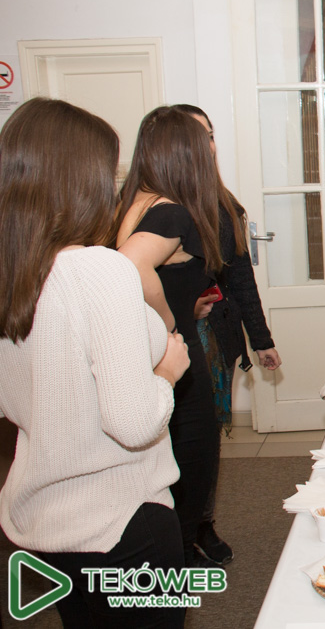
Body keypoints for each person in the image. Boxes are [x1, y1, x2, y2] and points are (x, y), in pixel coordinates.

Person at [0, 98, 190, 626]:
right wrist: (166, 373)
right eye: (108, 173)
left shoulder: (15, 272)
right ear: (78, 180)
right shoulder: (97, 271)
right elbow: (133, 423)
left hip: (46, 525)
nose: (114, 188)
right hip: (121, 520)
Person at [115, 106, 224, 568]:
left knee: (157, 470)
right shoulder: (172, 212)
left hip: (135, 355)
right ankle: (170, 570)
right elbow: (130, 265)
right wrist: (170, 322)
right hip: (174, 359)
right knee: (190, 469)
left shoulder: (129, 201)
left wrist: (181, 302)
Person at [174, 104, 282, 566]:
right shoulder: (154, 209)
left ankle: (202, 523)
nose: (208, 144)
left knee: (205, 440)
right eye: (197, 136)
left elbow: (241, 280)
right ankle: (177, 533)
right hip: (166, 342)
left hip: (216, 339)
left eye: (211, 134)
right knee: (174, 442)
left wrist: (262, 339)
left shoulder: (224, 205)